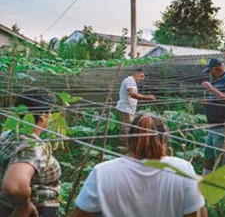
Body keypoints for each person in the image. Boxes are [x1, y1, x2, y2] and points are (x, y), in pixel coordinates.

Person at [73, 114, 207, 217]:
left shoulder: (102, 172)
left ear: (129, 140)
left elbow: (81, 214)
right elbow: (198, 214)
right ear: (163, 140)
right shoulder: (182, 169)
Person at [0, 87, 61, 217]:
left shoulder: (8, 135)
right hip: (36, 211)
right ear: (43, 116)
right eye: (50, 113)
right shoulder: (34, 148)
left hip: (5, 207)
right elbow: (14, 186)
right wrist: (24, 206)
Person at [201, 58, 225, 175]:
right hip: (213, 127)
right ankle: (204, 180)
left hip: (224, 127)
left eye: (210, 71)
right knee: (208, 156)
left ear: (214, 68)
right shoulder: (220, 81)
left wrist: (211, 88)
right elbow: (220, 99)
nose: (209, 75)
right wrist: (208, 103)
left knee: (223, 160)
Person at [115, 68, 156, 138]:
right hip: (126, 110)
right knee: (127, 131)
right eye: (141, 76)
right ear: (136, 73)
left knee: (127, 130)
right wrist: (148, 98)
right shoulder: (130, 81)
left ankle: (126, 146)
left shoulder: (131, 81)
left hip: (127, 110)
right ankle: (126, 147)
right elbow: (132, 94)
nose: (142, 79)